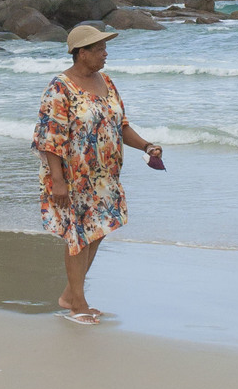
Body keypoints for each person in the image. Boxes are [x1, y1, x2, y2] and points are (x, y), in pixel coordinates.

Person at [32, 23, 163, 324]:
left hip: (105, 175)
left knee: (97, 231)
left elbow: (121, 125)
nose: (106, 53)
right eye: (100, 49)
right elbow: (48, 139)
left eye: (105, 48)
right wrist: (59, 182)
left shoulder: (106, 82)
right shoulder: (60, 87)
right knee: (77, 236)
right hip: (72, 177)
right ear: (81, 53)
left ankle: (70, 293)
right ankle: (77, 303)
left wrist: (146, 146)